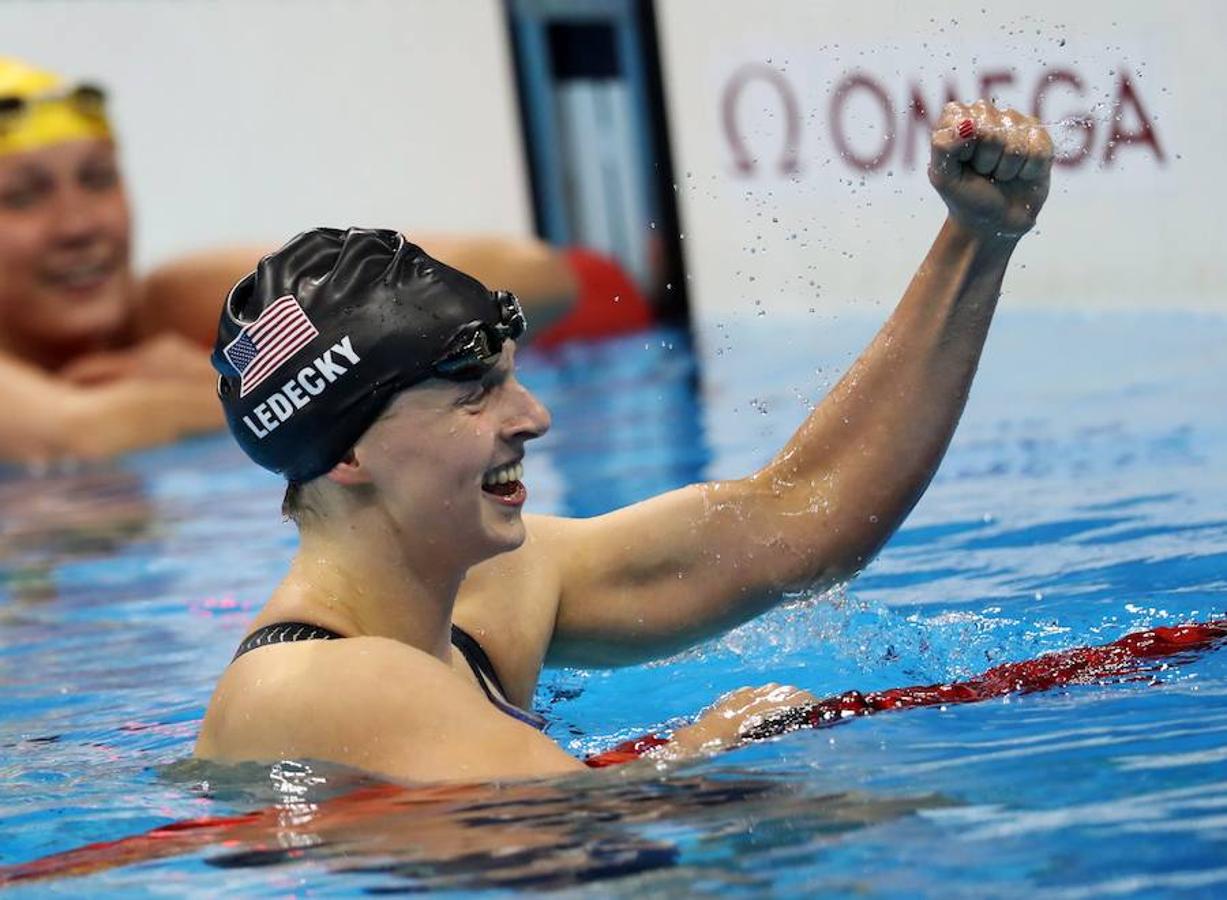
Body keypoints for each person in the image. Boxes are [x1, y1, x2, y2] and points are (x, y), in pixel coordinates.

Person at [196, 99, 1054, 783]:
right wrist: (702, 751)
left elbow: (801, 521)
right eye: (473, 394)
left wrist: (978, 239)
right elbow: (584, 848)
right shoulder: (323, 686)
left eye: (513, 376)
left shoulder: (485, 596)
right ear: (346, 451)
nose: (532, 418)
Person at [0, 57, 652, 466]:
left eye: (97, 179)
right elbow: (76, 438)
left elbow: (533, 276)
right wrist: (237, 395)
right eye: (21, 197)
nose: (80, 226)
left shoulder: (169, 303)